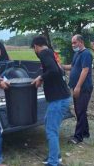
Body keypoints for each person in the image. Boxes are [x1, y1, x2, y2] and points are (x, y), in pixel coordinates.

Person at [31, 36, 71, 166]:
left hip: (58, 100)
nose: (35, 51)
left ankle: (53, 162)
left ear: (36, 46)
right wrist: (41, 76)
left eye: (34, 49)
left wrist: (41, 77)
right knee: (49, 123)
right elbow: (57, 70)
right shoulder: (50, 53)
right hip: (60, 98)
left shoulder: (43, 53)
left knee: (51, 130)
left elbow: (54, 71)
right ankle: (56, 156)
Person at [62, 34, 93, 144]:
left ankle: (78, 137)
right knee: (80, 111)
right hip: (76, 87)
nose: (73, 45)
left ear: (81, 42)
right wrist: (61, 66)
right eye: (72, 43)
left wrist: (78, 86)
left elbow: (85, 70)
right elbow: (72, 66)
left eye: (74, 42)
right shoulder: (77, 54)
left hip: (83, 88)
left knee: (80, 111)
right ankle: (85, 132)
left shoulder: (86, 54)